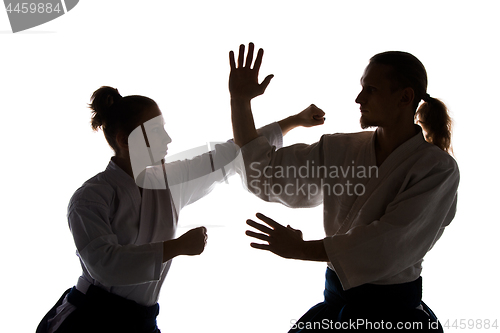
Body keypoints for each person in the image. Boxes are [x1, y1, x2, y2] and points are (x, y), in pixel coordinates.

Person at [36, 86, 324, 333]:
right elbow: (105, 264)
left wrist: (293, 121)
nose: (168, 140)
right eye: (157, 131)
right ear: (126, 141)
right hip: (90, 320)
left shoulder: (167, 183)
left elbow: (229, 154)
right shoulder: (90, 197)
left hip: (140, 320)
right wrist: (175, 246)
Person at [229, 43, 459, 332]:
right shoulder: (340, 149)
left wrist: (300, 249)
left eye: (370, 89)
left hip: (394, 315)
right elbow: (263, 174)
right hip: (334, 305)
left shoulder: (437, 169)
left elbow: (387, 246)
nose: (358, 98)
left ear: (405, 97)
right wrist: (239, 102)